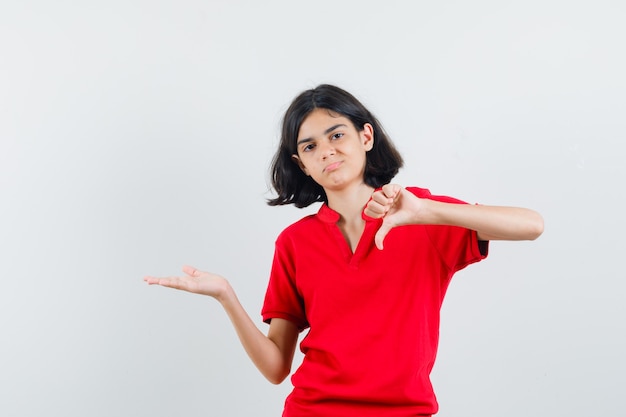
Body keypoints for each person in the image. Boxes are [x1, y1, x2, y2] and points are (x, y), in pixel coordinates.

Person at [144, 84, 544, 417]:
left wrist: (429, 211)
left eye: (337, 135)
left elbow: (532, 225)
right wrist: (226, 296)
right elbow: (276, 367)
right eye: (310, 146)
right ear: (302, 164)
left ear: (365, 137)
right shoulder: (295, 243)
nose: (326, 151)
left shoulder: (420, 216)